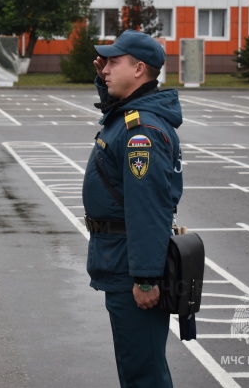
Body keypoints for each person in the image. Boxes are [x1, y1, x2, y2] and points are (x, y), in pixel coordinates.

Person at [81, 30, 183, 387]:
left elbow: (148, 207)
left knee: (144, 373)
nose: (105, 69)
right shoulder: (131, 116)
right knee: (135, 365)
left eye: (113, 62)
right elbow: (115, 116)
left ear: (139, 69)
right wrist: (103, 81)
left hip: (131, 267)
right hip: (121, 261)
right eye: (104, 63)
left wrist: (145, 277)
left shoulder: (142, 131)